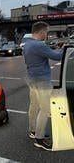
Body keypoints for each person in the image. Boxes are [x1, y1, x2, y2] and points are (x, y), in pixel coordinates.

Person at [24, 21, 64, 151]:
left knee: (34, 106)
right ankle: (40, 139)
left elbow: (41, 54)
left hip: (32, 79)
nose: (46, 34)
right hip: (42, 81)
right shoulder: (39, 45)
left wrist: (55, 47)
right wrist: (64, 48)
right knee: (45, 109)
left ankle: (33, 130)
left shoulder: (28, 44)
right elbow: (58, 57)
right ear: (41, 32)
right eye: (46, 32)